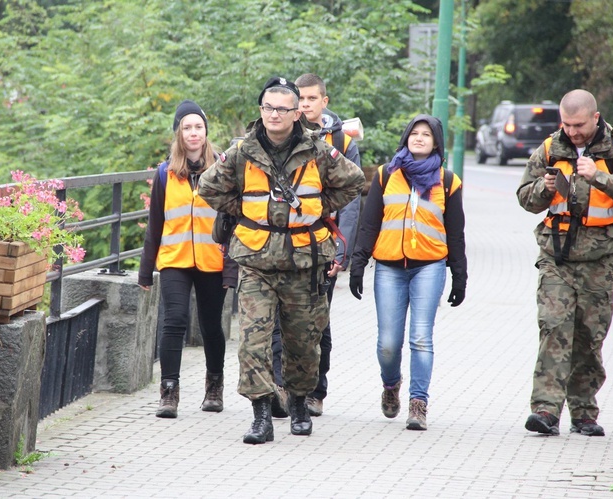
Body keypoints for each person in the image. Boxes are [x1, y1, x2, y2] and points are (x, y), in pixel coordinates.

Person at [199, 77, 365, 444]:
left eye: (282, 108)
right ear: (261, 111)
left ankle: (301, 403)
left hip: (305, 261)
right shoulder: (242, 151)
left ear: (295, 113)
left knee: (304, 342)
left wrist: (318, 210)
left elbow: (353, 183)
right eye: (268, 107)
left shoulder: (318, 150)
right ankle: (261, 415)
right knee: (253, 341)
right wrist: (245, 211)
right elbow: (208, 186)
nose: (274, 114)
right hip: (256, 259)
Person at [349, 114, 467, 431]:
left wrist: (460, 275)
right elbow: (370, 222)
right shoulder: (387, 175)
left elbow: (455, 233)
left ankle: (419, 403)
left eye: (426, 134)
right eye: (414, 133)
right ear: (405, 138)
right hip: (388, 267)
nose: (418, 138)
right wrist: (357, 263)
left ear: (436, 142)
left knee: (421, 338)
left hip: (429, 266)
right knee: (388, 344)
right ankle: (391, 385)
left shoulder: (447, 181)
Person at [517, 89, 613, 437]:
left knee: (589, 336)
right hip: (556, 255)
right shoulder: (549, 148)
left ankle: (584, 412)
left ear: (595, 117)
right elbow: (525, 199)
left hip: (601, 259)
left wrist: (600, 177)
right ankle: (546, 410)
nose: (573, 132)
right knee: (554, 327)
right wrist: (545, 190)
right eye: (567, 124)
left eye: (579, 125)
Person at [269, 73, 362, 419]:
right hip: (283, 246)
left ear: (324, 101)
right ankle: (281, 387)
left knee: (317, 322)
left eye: (311, 99)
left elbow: (352, 200)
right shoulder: (281, 136)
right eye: (300, 99)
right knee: (281, 319)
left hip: (323, 244)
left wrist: (343, 250)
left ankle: (315, 391)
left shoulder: (341, 139)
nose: (305, 105)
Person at [138, 99, 237, 419]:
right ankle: (169, 392)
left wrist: (231, 268)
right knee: (174, 321)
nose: (193, 133)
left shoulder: (223, 168)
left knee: (211, 325)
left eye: (199, 127)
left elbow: (235, 221)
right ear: (178, 134)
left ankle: (214, 386)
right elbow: (155, 224)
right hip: (174, 259)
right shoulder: (166, 173)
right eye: (187, 128)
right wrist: (144, 272)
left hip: (212, 259)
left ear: (206, 132)